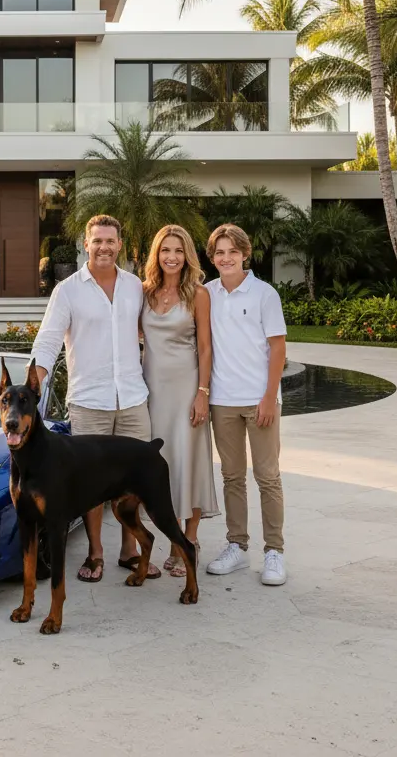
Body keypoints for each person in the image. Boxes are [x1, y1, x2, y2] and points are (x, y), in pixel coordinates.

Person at [30, 214, 159, 583]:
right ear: (85, 244)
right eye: (97, 241)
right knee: (90, 486)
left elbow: (155, 333)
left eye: (110, 241)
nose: (104, 247)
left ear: (120, 245)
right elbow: (49, 340)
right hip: (89, 401)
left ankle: (129, 551)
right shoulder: (67, 290)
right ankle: (96, 553)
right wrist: (31, 389)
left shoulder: (136, 287)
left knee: (136, 480)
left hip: (133, 399)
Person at [203, 223, 288, 586]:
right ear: (212, 257)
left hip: (259, 401)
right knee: (231, 476)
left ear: (244, 254)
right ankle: (237, 545)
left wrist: (269, 397)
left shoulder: (264, 294)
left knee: (267, 477)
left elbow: (278, 348)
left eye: (232, 252)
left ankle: (275, 552)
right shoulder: (205, 294)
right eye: (219, 252)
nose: (226, 258)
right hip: (222, 401)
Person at [140, 224, 218, 576]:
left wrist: (203, 393)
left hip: (187, 388)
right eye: (165, 250)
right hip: (152, 391)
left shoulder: (198, 294)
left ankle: (190, 539)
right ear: (156, 255)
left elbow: (205, 347)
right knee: (161, 465)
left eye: (178, 251)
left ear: (188, 255)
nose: (172, 257)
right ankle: (172, 539)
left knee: (189, 461)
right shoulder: (144, 292)